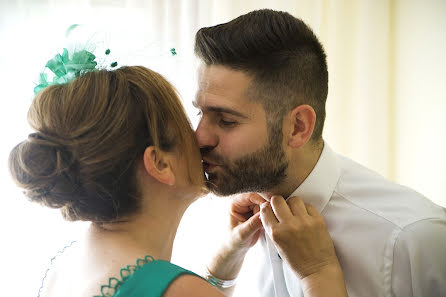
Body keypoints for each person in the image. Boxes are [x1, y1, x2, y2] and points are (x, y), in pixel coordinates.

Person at [9, 59, 346, 295]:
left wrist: (220, 271)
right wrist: (319, 273)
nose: (200, 137)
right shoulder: (179, 290)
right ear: (159, 163)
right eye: (189, 121)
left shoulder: (71, 261)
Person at [193, 9, 446, 297]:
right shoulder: (240, 232)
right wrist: (225, 267)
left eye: (226, 120)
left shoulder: (415, 239)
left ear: (298, 127)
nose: (199, 137)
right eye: (200, 112)